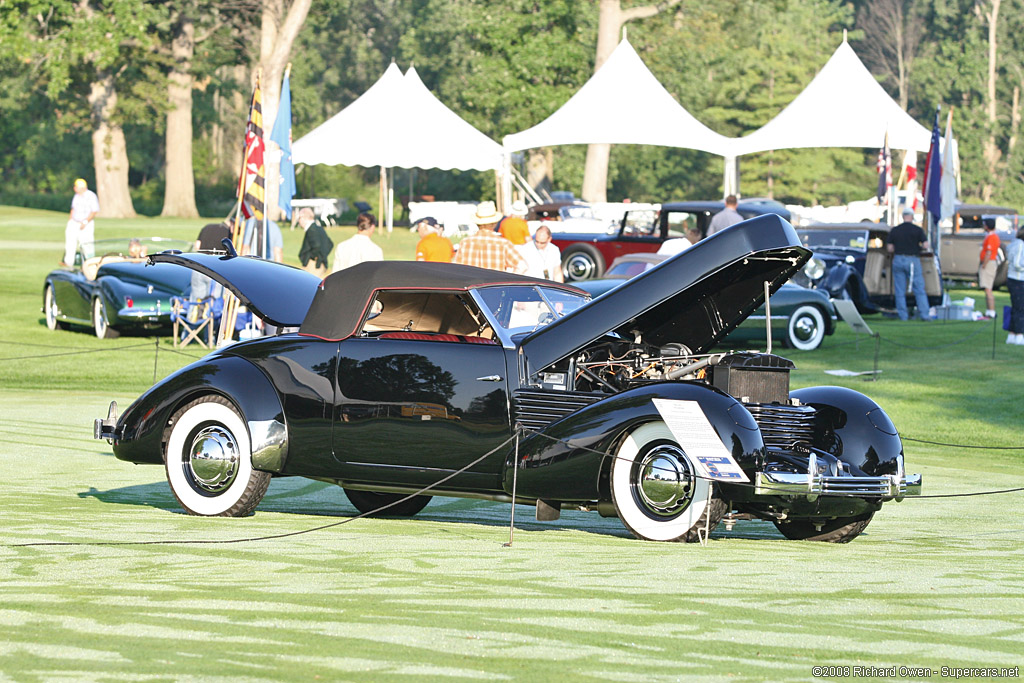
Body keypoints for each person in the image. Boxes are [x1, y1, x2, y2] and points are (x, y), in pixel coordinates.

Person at [453, 201, 527, 274]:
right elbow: (522, 266)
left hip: (471, 284)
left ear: (477, 223)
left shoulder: (465, 242)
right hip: (495, 285)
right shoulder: (503, 243)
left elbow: (456, 268)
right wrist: (508, 281)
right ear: (494, 223)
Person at [887, 208, 932, 321]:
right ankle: (924, 315)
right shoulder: (917, 230)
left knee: (899, 290)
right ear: (912, 217)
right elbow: (926, 245)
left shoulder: (895, 230)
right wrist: (919, 247)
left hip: (898, 259)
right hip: (912, 260)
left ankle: (903, 316)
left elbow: (890, 248)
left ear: (903, 217)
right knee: (919, 288)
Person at [62, 178, 99, 266]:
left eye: (76, 187)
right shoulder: (76, 196)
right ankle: (68, 262)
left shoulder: (91, 196)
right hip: (74, 222)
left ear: (82, 187)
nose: (75, 188)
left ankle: (88, 264)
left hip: (86, 224)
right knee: (70, 244)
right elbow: (73, 209)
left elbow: (94, 211)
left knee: (86, 244)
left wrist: (85, 222)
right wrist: (70, 220)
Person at [297, 207, 334, 277]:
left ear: (304, 217)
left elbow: (316, 246)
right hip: (320, 265)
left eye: (299, 218)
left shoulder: (311, 230)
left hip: (313, 265)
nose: (298, 221)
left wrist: (314, 258)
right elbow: (330, 244)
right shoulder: (319, 228)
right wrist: (323, 256)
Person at [1005, 226, 1024, 345]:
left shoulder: (1014, 243)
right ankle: (1019, 335)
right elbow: (1017, 263)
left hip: (1013, 279)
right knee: (1020, 308)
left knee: (1016, 307)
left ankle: (1012, 334)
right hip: (1018, 279)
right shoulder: (1020, 245)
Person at [979, 219, 1001, 318]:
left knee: (988, 288)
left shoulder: (992, 237)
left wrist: (984, 264)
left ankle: (991, 311)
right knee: (986, 288)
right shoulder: (990, 236)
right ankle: (988, 310)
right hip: (989, 263)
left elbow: (989, 252)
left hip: (989, 263)